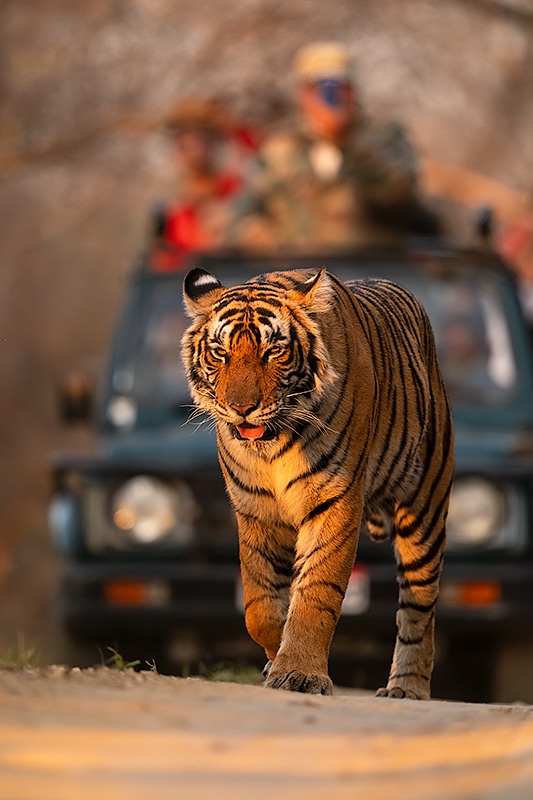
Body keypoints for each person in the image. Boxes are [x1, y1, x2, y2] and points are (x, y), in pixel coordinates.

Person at [231, 41, 439, 253]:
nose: (331, 97)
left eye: (340, 87)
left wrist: (349, 147)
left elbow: (403, 195)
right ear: (303, 95)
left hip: (372, 272)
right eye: (320, 88)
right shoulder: (277, 150)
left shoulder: (385, 140)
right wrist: (257, 234)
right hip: (301, 274)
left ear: (353, 91)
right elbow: (243, 213)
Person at [150, 99, 244, 271]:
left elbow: (255, 153)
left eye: (202, 142)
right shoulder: (172, 212)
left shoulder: (233, 189)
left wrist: (226, 123)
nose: (195, 152)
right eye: (186, 146)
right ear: (178, 152)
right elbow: (162, 268)